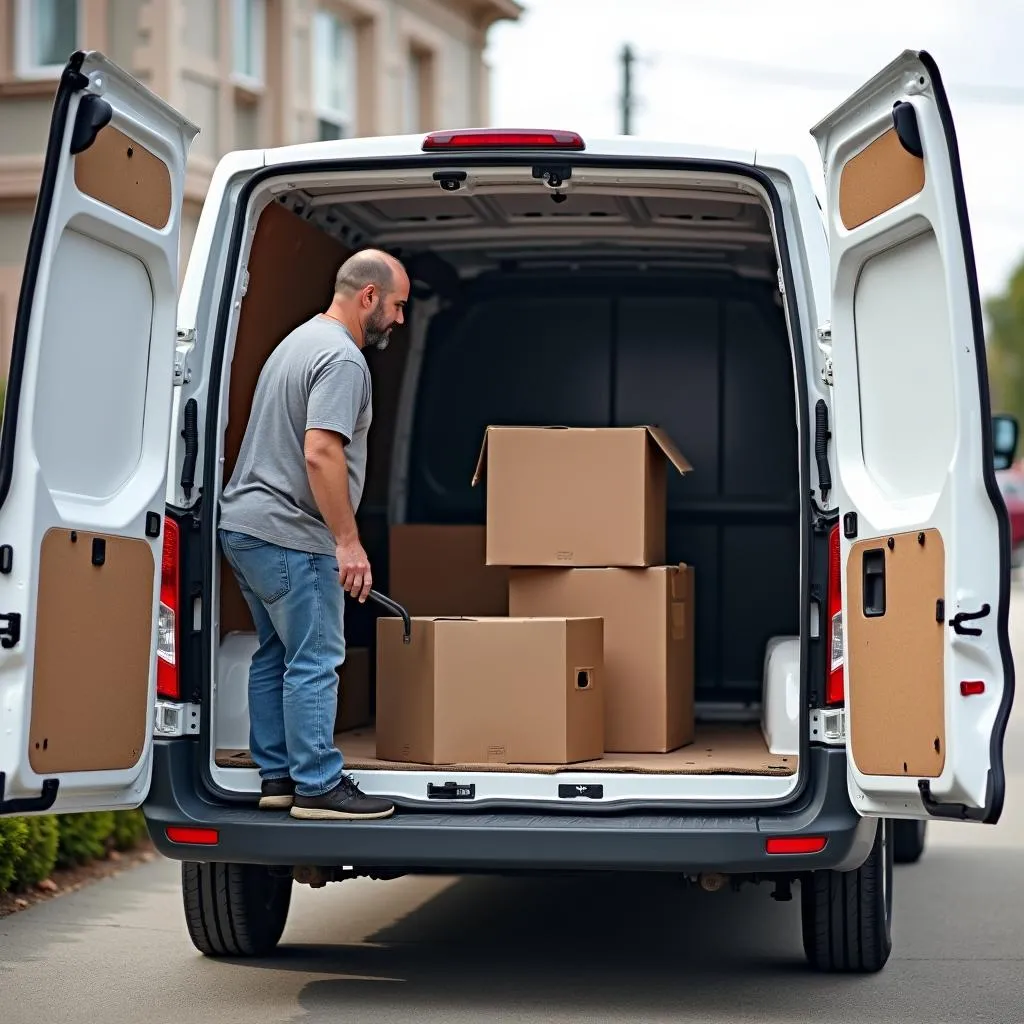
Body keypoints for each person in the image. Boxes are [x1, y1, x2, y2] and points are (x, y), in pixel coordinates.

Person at [218, 248, 410, 821]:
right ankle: (319, 784)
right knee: (316, 658)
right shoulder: (343, 359)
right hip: (290, 534)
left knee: (277, 653)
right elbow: (321, 452)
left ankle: (277, 776)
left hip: (247, 527)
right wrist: (347, 543)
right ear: (368, 297)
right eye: (398, 306)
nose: (400, 320)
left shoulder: (298, 341)